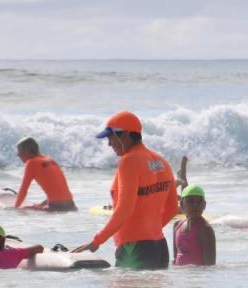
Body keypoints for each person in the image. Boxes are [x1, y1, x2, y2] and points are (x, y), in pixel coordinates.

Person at [72, 111, 178, 269]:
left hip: (134, 250)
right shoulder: (162, 162)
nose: (109, 144)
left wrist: (97, 241)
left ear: (124, 135)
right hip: (159, 248)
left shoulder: (129, 161)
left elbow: (125, 209)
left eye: (111, 137)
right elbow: (172, 209)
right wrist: (148, 233)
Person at [14, 137, 77, 211]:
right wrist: (42, 204)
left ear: (26, 151)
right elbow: (58, 189)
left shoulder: (31, 163)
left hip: (56, 207)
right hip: (72, 206)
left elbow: (23, 191)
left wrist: (15, 208)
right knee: (34, 208)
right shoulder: (51, 160)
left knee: (24, 210)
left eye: (19, 151)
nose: (18, 155)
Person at [173, 184, 216, 266]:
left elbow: (210, 267)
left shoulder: (205, 230)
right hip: (180, 277)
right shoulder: (177, 225)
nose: (195, 205)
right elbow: (175, 259)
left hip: (197, 278)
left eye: (199, 201)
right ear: (181, 205)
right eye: (190, 201)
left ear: (204, 205)